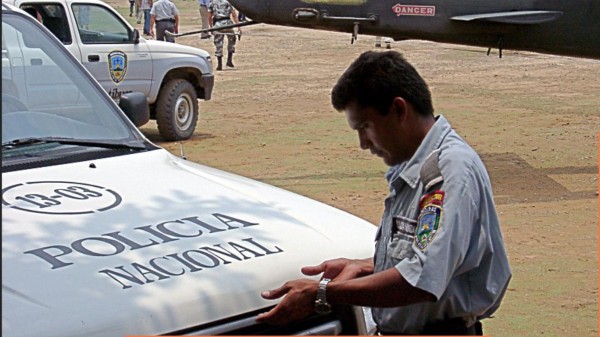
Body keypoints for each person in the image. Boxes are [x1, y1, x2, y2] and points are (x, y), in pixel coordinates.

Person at [256, 50, 512, 336]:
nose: (363, 143)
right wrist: (367, 267)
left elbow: (421, 278)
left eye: (365, 127)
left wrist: (324, 293)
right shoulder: (415, 168)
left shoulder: (448, 170)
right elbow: (432, 257)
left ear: (399, 110)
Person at [208, 0, 241, 71]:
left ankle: (219, 65)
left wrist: (211, 27)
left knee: (218, 44)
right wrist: (238, 26)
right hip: (228, 24)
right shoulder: (228, 2)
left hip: (218, 25)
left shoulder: (212, 2)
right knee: (231, 41)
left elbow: (210, 16)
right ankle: (229, 60)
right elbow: (234, 14)